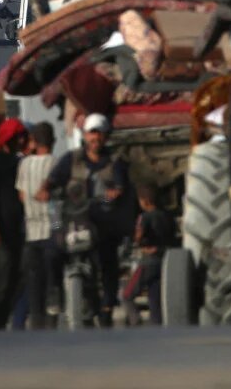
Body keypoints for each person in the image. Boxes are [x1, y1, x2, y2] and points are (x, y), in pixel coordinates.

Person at [46, 113, 136, 328]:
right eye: (92, 133)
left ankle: (106, 307)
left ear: (106, 137)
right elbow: (53, 181)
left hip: (103, 223)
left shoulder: (115, 162)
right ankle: (55, 293)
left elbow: (119, 190)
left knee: (108, 260)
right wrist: (46, 189)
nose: (95, 138)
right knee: (51, 248)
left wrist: (107, 197)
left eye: (99, 134)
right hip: (68, 219)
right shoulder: (71, 159)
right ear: (85, 135)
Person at [0, 119, 30, 329]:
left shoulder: (19, 161)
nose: (23, 140)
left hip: (16, 229)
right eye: (19, 136)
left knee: (17, 275)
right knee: (2, 273)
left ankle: (0, 320)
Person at [19, 123, 60, 330]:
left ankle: (36, 322)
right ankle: (52, 317)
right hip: (53, 229)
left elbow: (22, 195)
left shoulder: (24, 164)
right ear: (53, 141)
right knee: (53, 279)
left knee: (34, 283)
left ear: (33, 142)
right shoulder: (56, 163)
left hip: (31, 231)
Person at [121, 189, 178, 326]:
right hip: (164, 260)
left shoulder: (145, 217)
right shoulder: (168, 216)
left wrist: (136, 239)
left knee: (126, 295)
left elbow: (138, 237)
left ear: (145, 201)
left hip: (148, 261)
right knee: (155, 298)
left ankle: (135, 320)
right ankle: (156, 326)